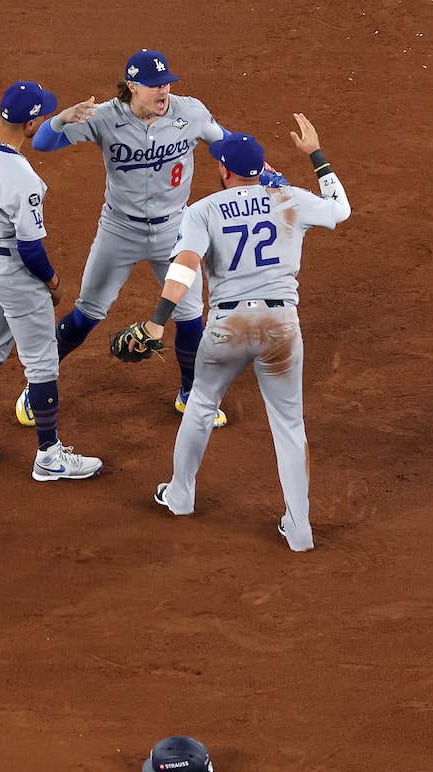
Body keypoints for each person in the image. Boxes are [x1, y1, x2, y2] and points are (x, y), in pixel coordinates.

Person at [13, 49, 288, 431]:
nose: (164, 91)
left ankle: (190, 393)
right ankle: (38, 384)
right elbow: (43, 144)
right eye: (156, 85)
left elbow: (226, 143)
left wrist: (267, 173)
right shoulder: (104, 117)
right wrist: (60, 119)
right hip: (119, 229)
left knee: (191, 318)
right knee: (87, 314)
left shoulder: (189, 111)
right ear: (132, 87)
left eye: (167, 84)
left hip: (175, 229)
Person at [142, 114, 351, 552]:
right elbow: (341, 208)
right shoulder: (290, 198)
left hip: (227, 326)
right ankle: (300, 530)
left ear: (223, 170)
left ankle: (181, 496)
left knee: (200, 404)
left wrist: (158, 319)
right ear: (261, 171)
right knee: (290, 426)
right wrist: (316, 154)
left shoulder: (201, 211)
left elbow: (184, 267)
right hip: (281, 326)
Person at [0, 81, 103, 482]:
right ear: (30, 125)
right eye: (42, 116)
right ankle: (49, 456)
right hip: (12, 272)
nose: (45, 119)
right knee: (43, 365)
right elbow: (31, 250)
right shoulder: (23, 177)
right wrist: (53, 282)